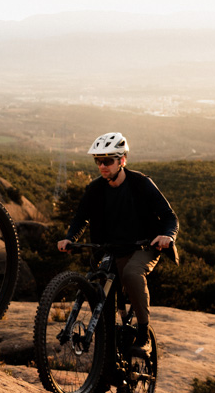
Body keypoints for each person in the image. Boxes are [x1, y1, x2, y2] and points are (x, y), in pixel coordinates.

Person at [57, 132, 179, 353]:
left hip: (144, 246)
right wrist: (70, 238)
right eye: (98, 161)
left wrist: (168, 236)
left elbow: (170, 217)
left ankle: (143, 334)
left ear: (122, 160)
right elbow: (80, 218)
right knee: (101, 285)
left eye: (107, 161)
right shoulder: (95, 189)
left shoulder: (141, 184)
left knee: (131, 273)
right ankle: (107, 354)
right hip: (111, 249)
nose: (102, 166)